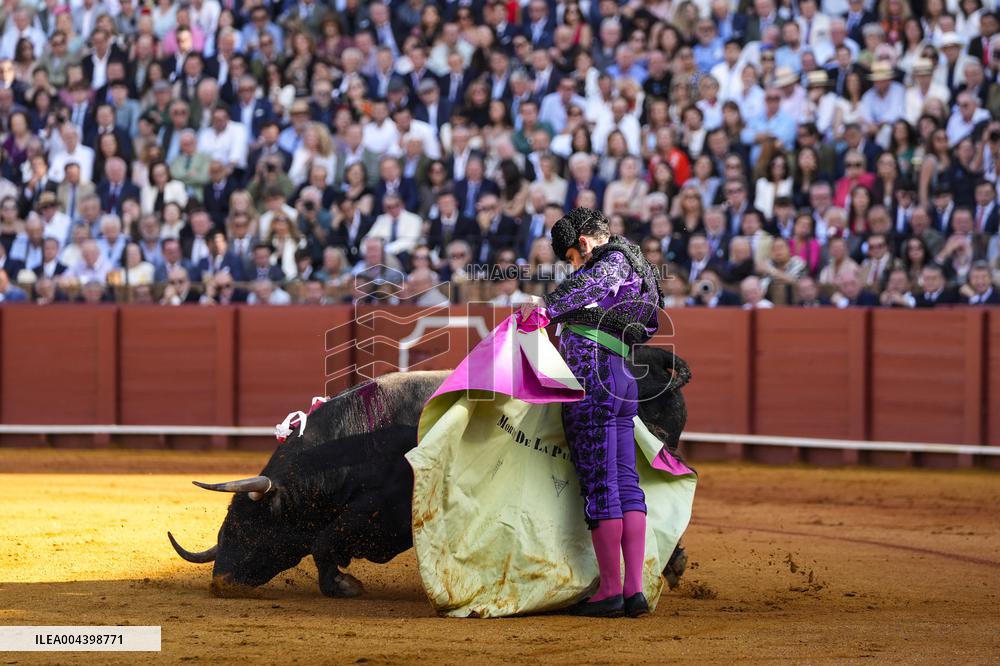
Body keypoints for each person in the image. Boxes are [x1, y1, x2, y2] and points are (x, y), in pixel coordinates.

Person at [520, 207, 663, 618]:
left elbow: (587, 286)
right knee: (624, 480)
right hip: (622, 374)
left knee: (601, 484)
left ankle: (612, 591)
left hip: (593, 373)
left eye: (571, 259)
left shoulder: (612, 261)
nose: (573, 267)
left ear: (583, 243)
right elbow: (649, 322)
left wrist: (541, 310)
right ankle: (634, 591)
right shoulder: (642, 268)